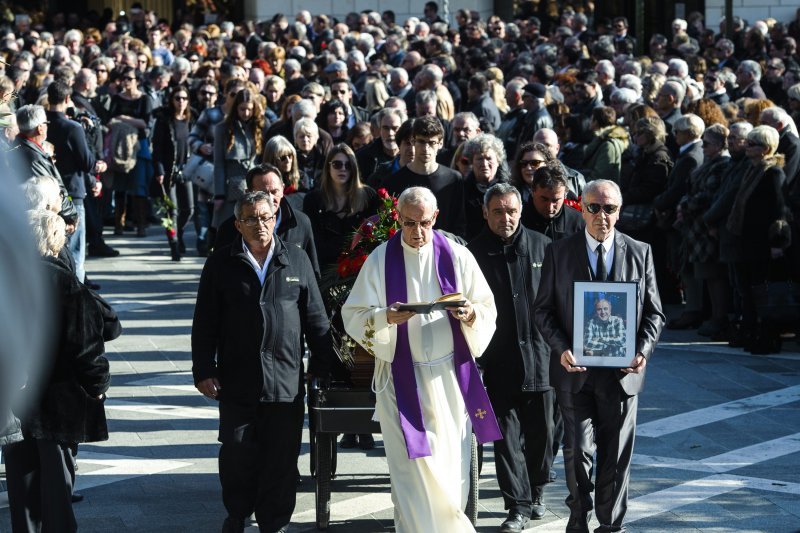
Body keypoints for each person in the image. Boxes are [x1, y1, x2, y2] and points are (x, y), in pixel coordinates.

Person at [341, 186, 500, 533]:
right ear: (397, 218)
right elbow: (352, 315)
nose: (417, 232)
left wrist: (470, 314)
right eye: (409, 223)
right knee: (411, 473)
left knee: (449, 470)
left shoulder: (458, 257)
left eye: (425, 223)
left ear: (436, 218)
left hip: (449, 382)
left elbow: (487, 309)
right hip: (401, 383)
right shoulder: (381, 259)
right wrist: (385, 317)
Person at [191, 190, 332, 533]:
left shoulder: (295, 259)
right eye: (251, 219)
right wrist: (204, 370)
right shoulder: (221, 263)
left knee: (281, 459)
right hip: (237, 380)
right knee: (237, 453)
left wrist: (322, 364)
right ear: (238, 225)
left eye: (266, 217)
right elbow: (204, 321)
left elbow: (316, 318)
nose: (260, 225)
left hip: (285, 381)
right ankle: (237, 513)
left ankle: (274, 521)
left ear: (276, 219)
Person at [533, 179, 665, 533]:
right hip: (575, 373)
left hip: (622, 375)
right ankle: (578, 516)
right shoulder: (559, 252)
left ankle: (611, 524)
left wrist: (641, 351)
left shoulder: (641, 252)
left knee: (616, 457)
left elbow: (655, 314)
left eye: (609, 208)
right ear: (581, 208)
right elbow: (542, 311)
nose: (601, 215)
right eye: (593, 207)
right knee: (576, 451)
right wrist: (561, 349)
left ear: (619, 212)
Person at [5, 208, 111, 533]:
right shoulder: (66, 284)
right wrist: (98, 384)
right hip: (57, 402)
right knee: (57, 486)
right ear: (56, 239)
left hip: (14, 401)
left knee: (22, 485)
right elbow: (86, 347)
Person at [467, 183, 553, 533]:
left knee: (544, 435)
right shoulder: (471, 254)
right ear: (486, 213)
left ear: (521, 211)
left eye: (512, 211)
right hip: (499, 363)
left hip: (543, 360)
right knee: (504, 438)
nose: (506, 218)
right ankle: (516, 506)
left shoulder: (543, 247)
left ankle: (537, 488)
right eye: (498, 211)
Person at [214, 163, 319, 279]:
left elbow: (312, 274)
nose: (270, 198)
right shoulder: (229, 229)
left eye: (274, 191)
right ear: (248, 193)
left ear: (283, 189)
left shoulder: (301, 223)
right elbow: (216, 276)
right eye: (262, 194)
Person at [45, 81, 105, 284]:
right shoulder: (72, 127)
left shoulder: (43, 124)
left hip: (48, 192)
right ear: (67, 99)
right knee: (76, 252)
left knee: (55, 249)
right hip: (72, 192)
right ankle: (77, 298)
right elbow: (87, 161)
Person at [383, 115, 467, 237]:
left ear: (440, 143)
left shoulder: (453, 179)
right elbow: (388, 226)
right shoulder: (394, 181)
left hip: (444, 250)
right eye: (421, 141)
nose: (426, 148)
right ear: (413, 141)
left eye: (432, 143)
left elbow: (459, 225)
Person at [108, 66, 154, 237]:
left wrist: (124, 119)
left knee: (139, 185)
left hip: (138, 145)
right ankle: (118, 223)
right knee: (120, 185)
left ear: (138, 81)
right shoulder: (116, 99)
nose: (126, 81)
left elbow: (145, 123)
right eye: (124, 78)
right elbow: (109, 120)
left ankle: (140, 223)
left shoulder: (144, 99)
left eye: (130, 78)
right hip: (119, 144)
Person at [152, 86, 196, 261]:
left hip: (187, 170)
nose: (181, 102)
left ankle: (180, 233)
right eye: (177, 98)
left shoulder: (192, 119)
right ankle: (174, 244)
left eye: (184, 98)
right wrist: (159, 170)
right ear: (171, 100)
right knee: (172, 211)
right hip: (169, 170)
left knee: (189, 210)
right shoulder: (164, 121)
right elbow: (156, 149)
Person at [212, 88, 264, 230]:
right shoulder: (222, 129)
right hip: (232, 189)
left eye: (249, 109)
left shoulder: (260, 127)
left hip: (256, 187)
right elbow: (219, 164)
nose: (246, 113)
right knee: (227, 229)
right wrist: (219, 195)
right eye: (242, 109)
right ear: (236, 108)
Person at [521, 159, 585, 241]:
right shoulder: (518, 219)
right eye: (544, 199)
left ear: (565, 194)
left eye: (556, 200)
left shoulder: (578, 223)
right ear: (533, 191)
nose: (550, 207)